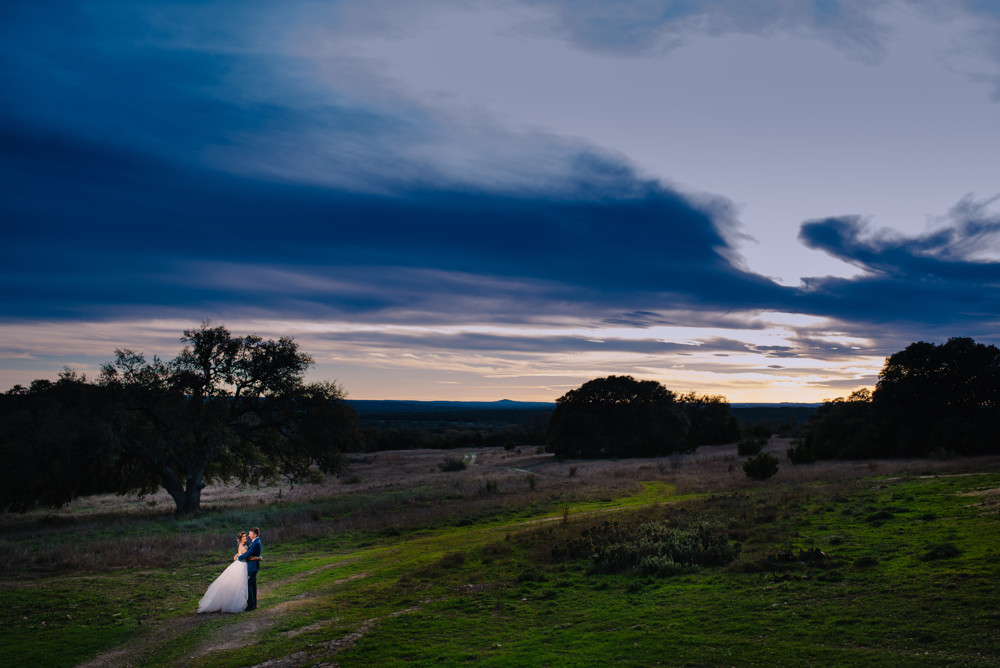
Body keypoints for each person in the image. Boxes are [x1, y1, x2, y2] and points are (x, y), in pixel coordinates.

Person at [197, 531, 249, 613]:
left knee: (240, 585)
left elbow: (242, 554)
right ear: (240, 539)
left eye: (246, 536)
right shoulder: (242, 547)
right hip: (241, 566)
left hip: (241, 564)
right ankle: (234, 603)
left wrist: (237, 555)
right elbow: (248, 556)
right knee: (238, 585)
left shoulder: (244, 546)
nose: (246, 538)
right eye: (244, 537)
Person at [238, 527, 262, 610]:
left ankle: (251, 605)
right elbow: (248, 552)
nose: (248, 535)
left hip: (252, 567)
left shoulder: (255, 543)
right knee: (252, 585)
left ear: (255, 535)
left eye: (250, 534)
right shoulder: (255, 542)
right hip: (252, 566)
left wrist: (239, 558)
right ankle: (254, 604)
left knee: (249, 586)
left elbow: (248, 553)